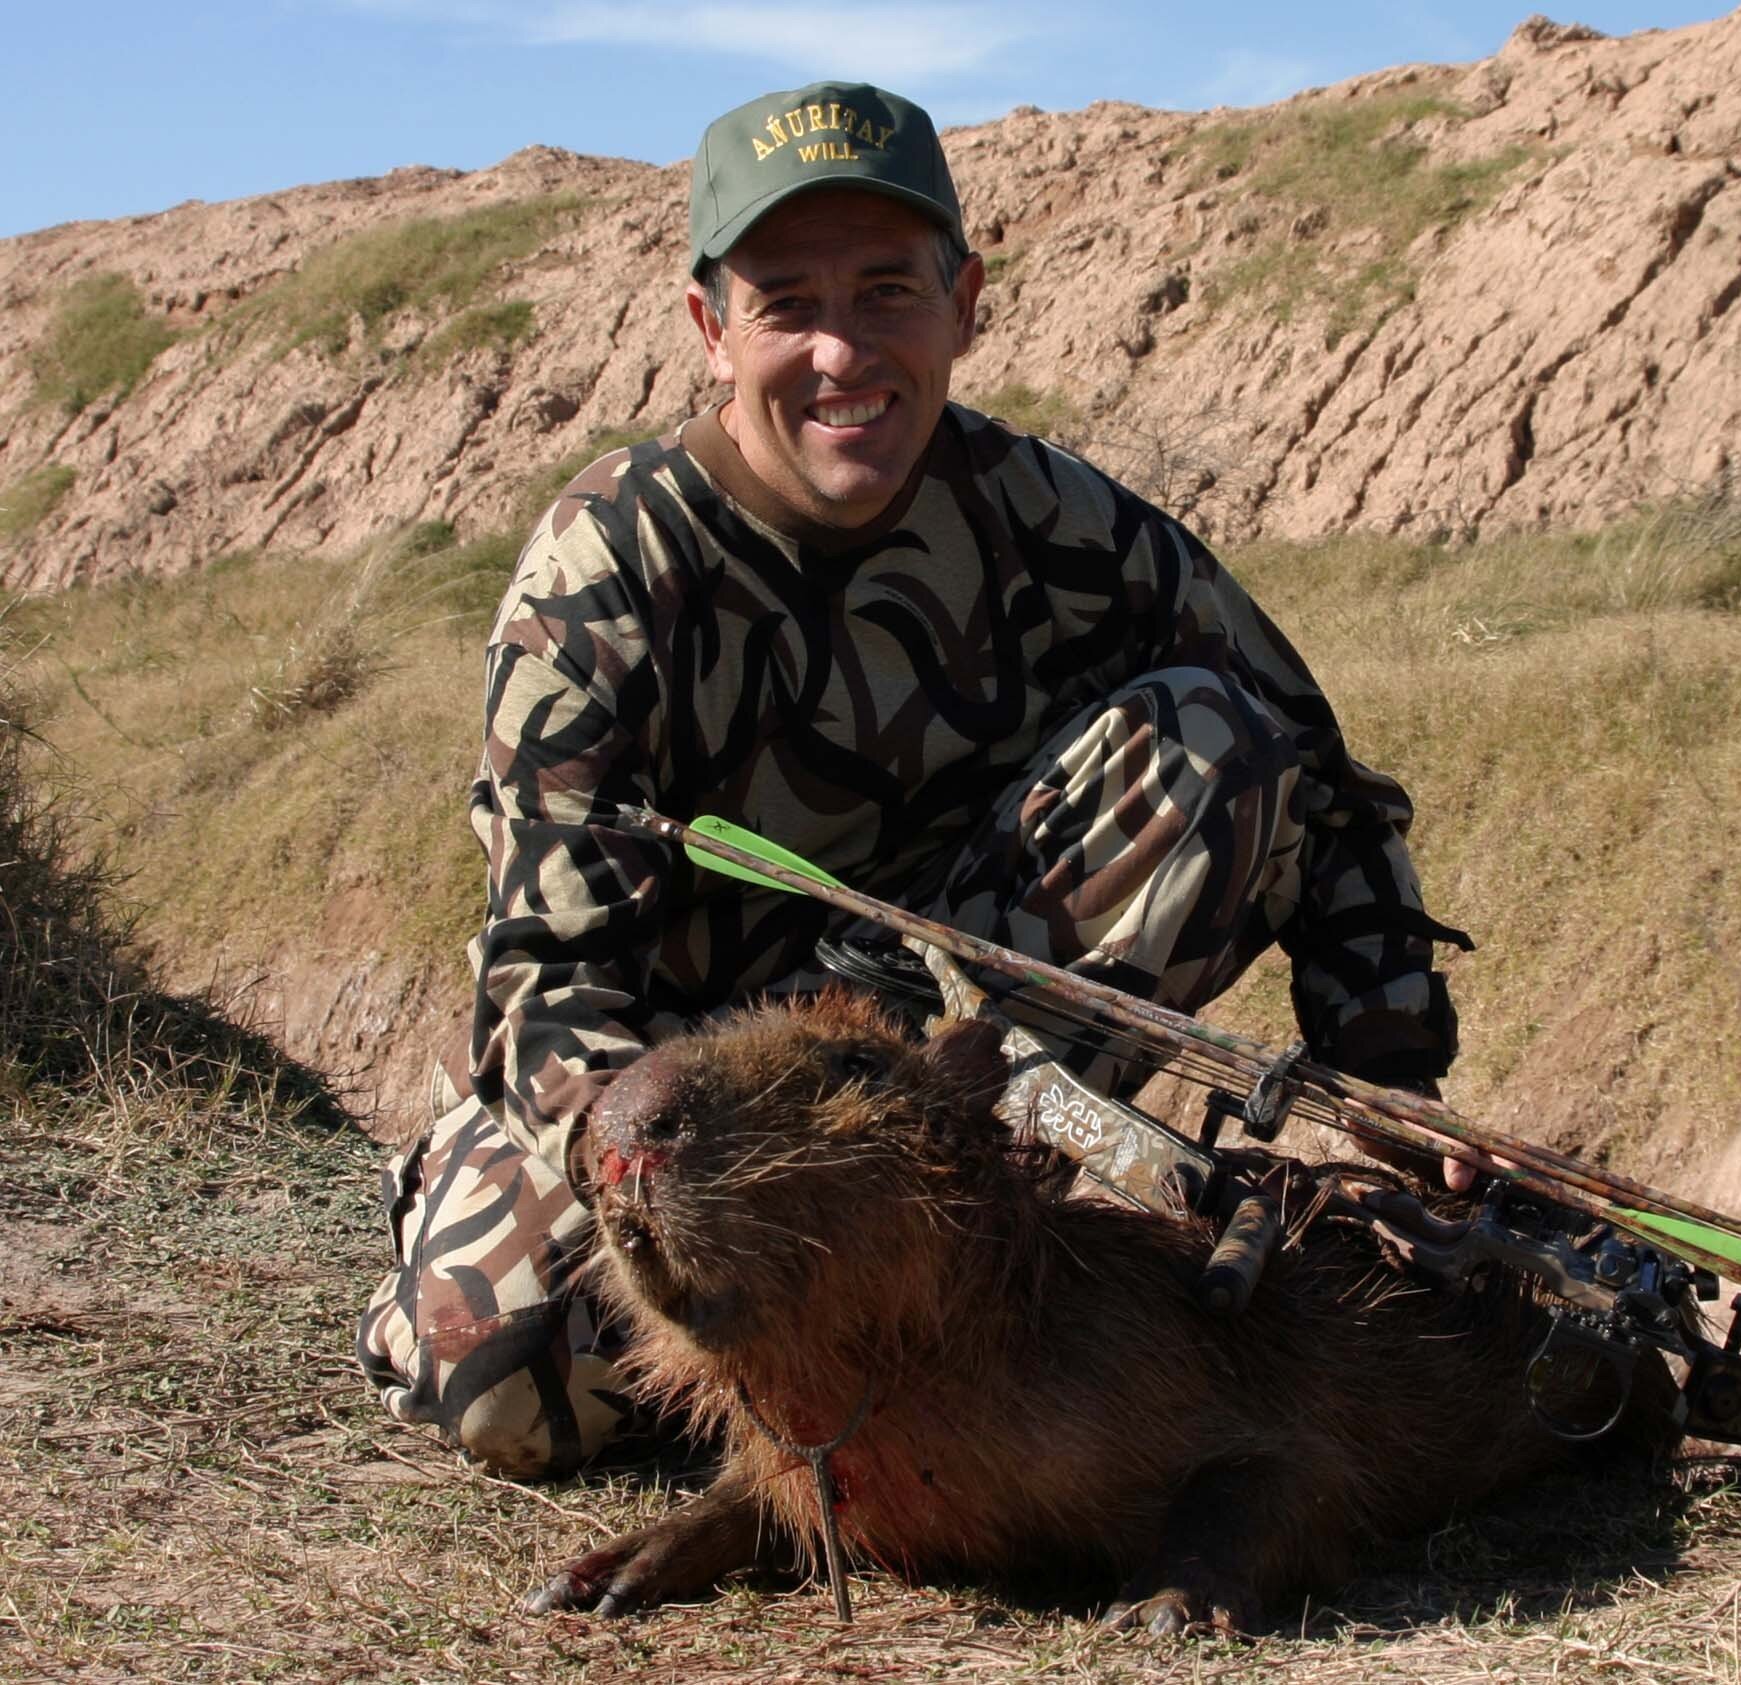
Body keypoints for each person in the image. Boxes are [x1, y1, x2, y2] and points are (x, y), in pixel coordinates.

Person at [355, 81, 1465, 1478]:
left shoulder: (1062, 525)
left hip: (944, 1067)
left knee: (1213, 737)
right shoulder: (604, 580)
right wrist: (647, 1159)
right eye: (785, 303)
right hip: (685, 1104)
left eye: (887, 292)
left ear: (965, 304)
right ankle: (460, 1231)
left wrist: (1393, 1081)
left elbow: (1323, 782)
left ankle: (951, 1250)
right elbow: (543, 986)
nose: (841, 352)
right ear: (711, 330)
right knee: (515, 1391)